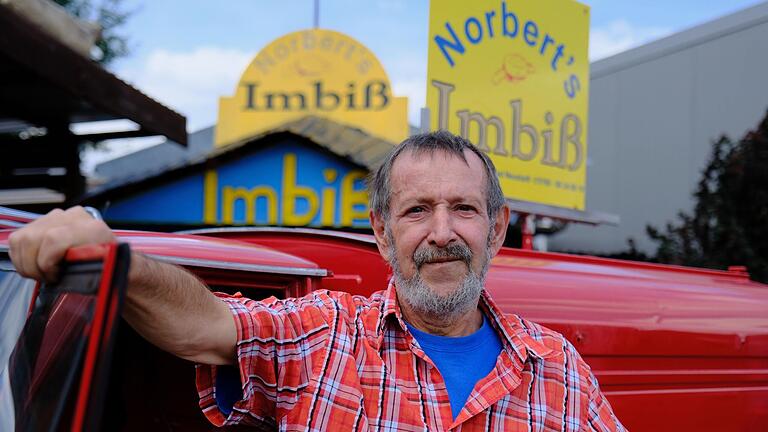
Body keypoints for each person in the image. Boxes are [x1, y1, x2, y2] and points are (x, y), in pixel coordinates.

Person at [8, 131, 626, 430]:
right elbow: (203, 326)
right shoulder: (324, 336)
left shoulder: (559, 371)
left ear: (496, 229)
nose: (442, 232)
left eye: (463, 209)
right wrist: (114, 253)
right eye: (417, 211)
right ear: (381, 233)